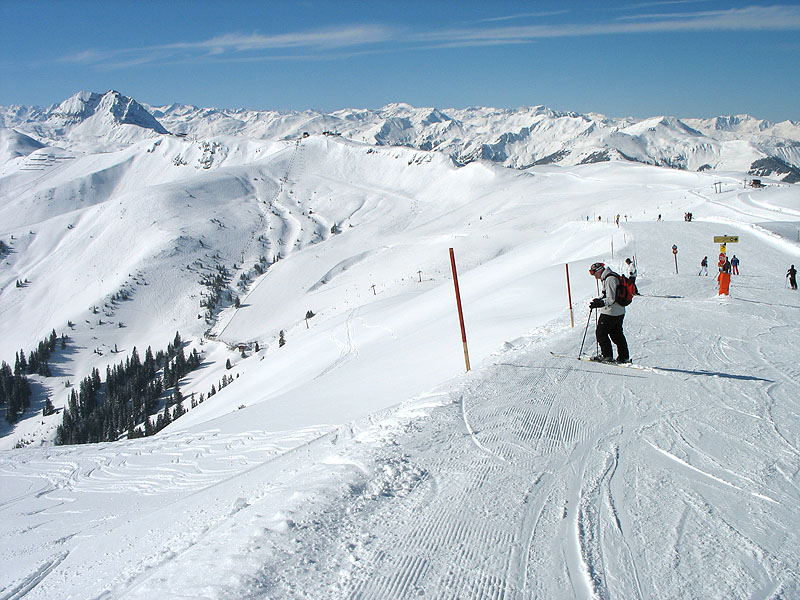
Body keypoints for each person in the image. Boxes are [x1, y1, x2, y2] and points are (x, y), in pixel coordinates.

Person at [588, 262, 630, 363]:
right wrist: (599, 300)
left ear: (599, 270)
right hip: (619, 311)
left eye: (593, 273)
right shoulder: (610, 277)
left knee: (601, 333)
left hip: (611, 312)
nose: (594, 276)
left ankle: (607, 356)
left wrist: (600, 303)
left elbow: (611, 299)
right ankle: (623, 357)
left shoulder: (610, 279)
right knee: (617, 334)